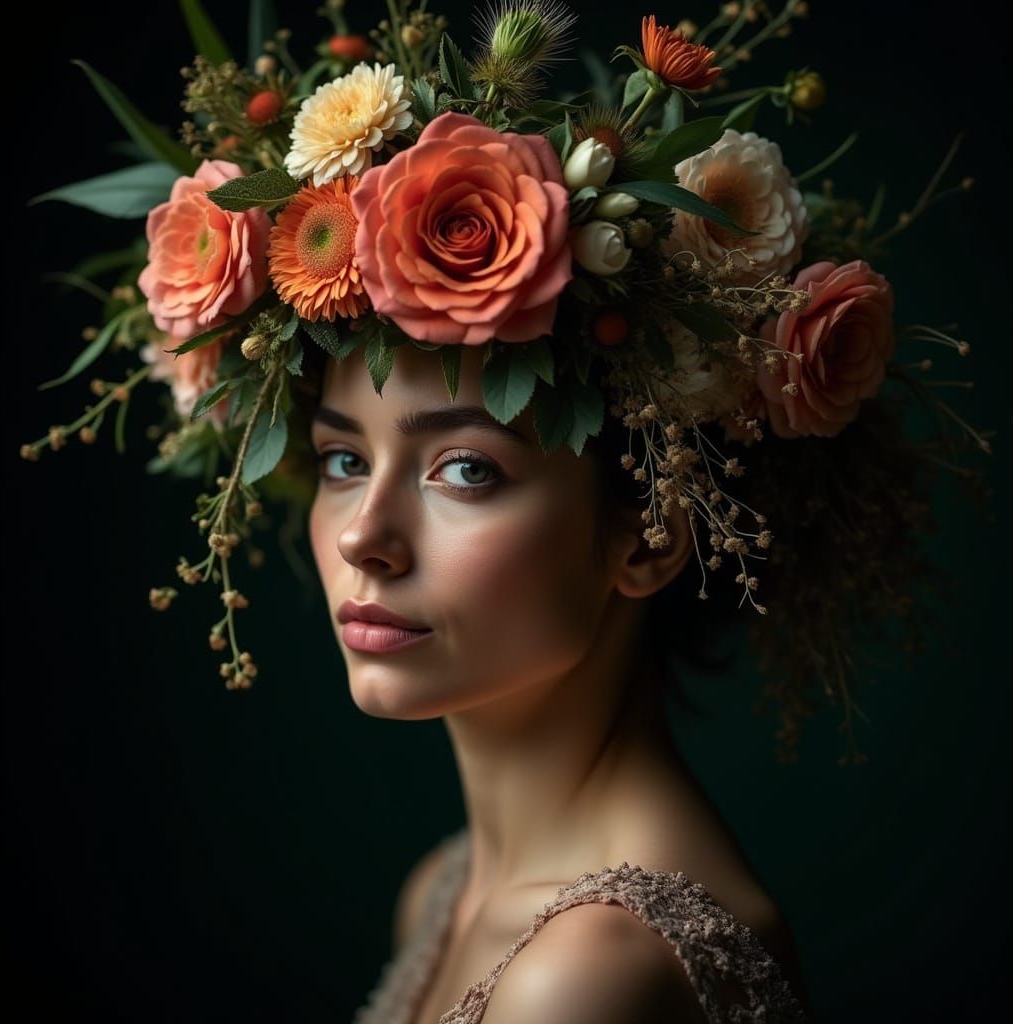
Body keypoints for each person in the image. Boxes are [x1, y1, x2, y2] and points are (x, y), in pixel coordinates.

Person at [306, 341, 812, 1022]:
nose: (360, 537)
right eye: (346, 462)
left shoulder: (591, 971)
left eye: (465, 469)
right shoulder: (442, 891)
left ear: (650, 538)